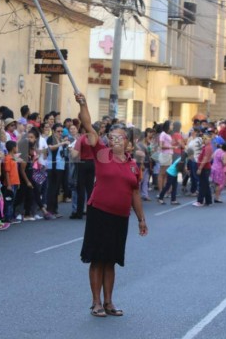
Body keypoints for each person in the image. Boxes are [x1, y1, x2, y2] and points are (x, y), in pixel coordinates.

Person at [75, 92, 148, 318]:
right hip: (99, 213)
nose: (115, 140)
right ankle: (96, 303)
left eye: (120, 137)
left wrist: (141, 219)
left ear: (127, 142)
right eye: (112, 137)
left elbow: (135, 192)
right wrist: (84, 103)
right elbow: (88, 125)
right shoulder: (101, 154)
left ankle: (109, 302)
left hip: (120, 218)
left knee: (111, 261)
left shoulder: (133, 166)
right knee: (97, 259)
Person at [193, 132, 213, 207]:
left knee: (202, 185)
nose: (204, 140)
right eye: (203, 138)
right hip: (205, 167)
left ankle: (200, 201)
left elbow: (205, 158)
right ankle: (208, 200)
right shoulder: (206, 146)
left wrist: (200, 168)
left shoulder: (208, 147)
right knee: (206, 185)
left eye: (205, 138)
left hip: (205, 168)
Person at [157, 120, 174, 192]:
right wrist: (171, 147)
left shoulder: (168, 134)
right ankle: (161, 190)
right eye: (171, 125)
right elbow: (161, 146)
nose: (172, 126)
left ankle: (165, 189)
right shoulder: (163, 134)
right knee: (162, 173)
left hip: (168, 154)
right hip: (165, 155)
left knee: (166, 173)